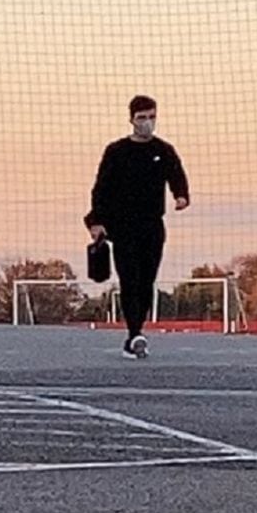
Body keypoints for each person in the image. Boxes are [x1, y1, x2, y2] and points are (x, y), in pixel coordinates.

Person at [84, 95, 189, 358]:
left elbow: (176, 174)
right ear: (131, 119)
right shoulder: (116, 151)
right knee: (129, 280)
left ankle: (136, 330)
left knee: (146, 282)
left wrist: (181, 195)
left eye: (152, 117)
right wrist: (96, 221)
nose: (147, 123)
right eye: (142, 118)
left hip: (152, 226)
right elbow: (101, 188)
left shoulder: (163, 150)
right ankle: (134, 334)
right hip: (123, 227)